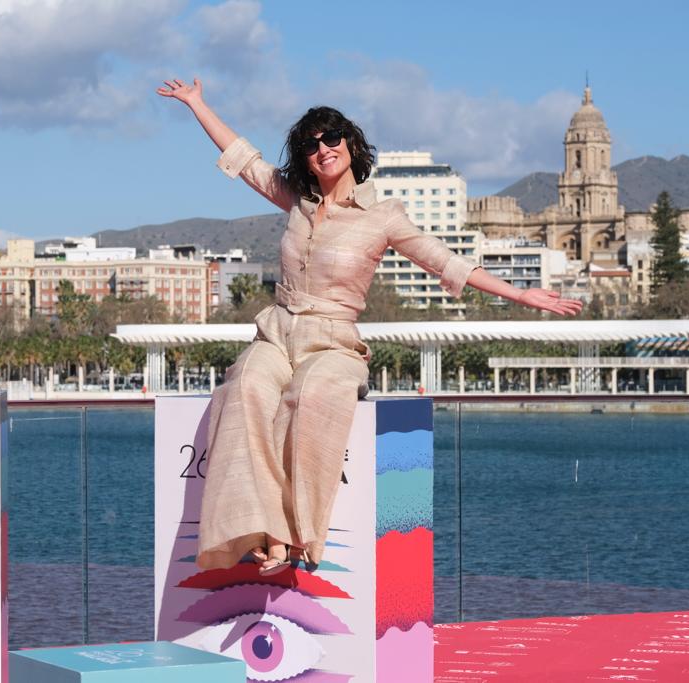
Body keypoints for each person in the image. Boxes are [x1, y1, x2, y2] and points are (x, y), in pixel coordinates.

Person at [157, 78, 583, 575]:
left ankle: (294, 540)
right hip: (277, 332)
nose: (322, 149)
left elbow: (443, 259)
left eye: (331, 137)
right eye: (310, 144)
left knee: (314, 397)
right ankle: (252, 532)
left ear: (352, 144)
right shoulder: (296, 198)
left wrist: (520, 293)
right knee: (245, 388)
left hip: (332, 342)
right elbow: (243, 157)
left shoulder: (383, 217)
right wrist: (197, 103)